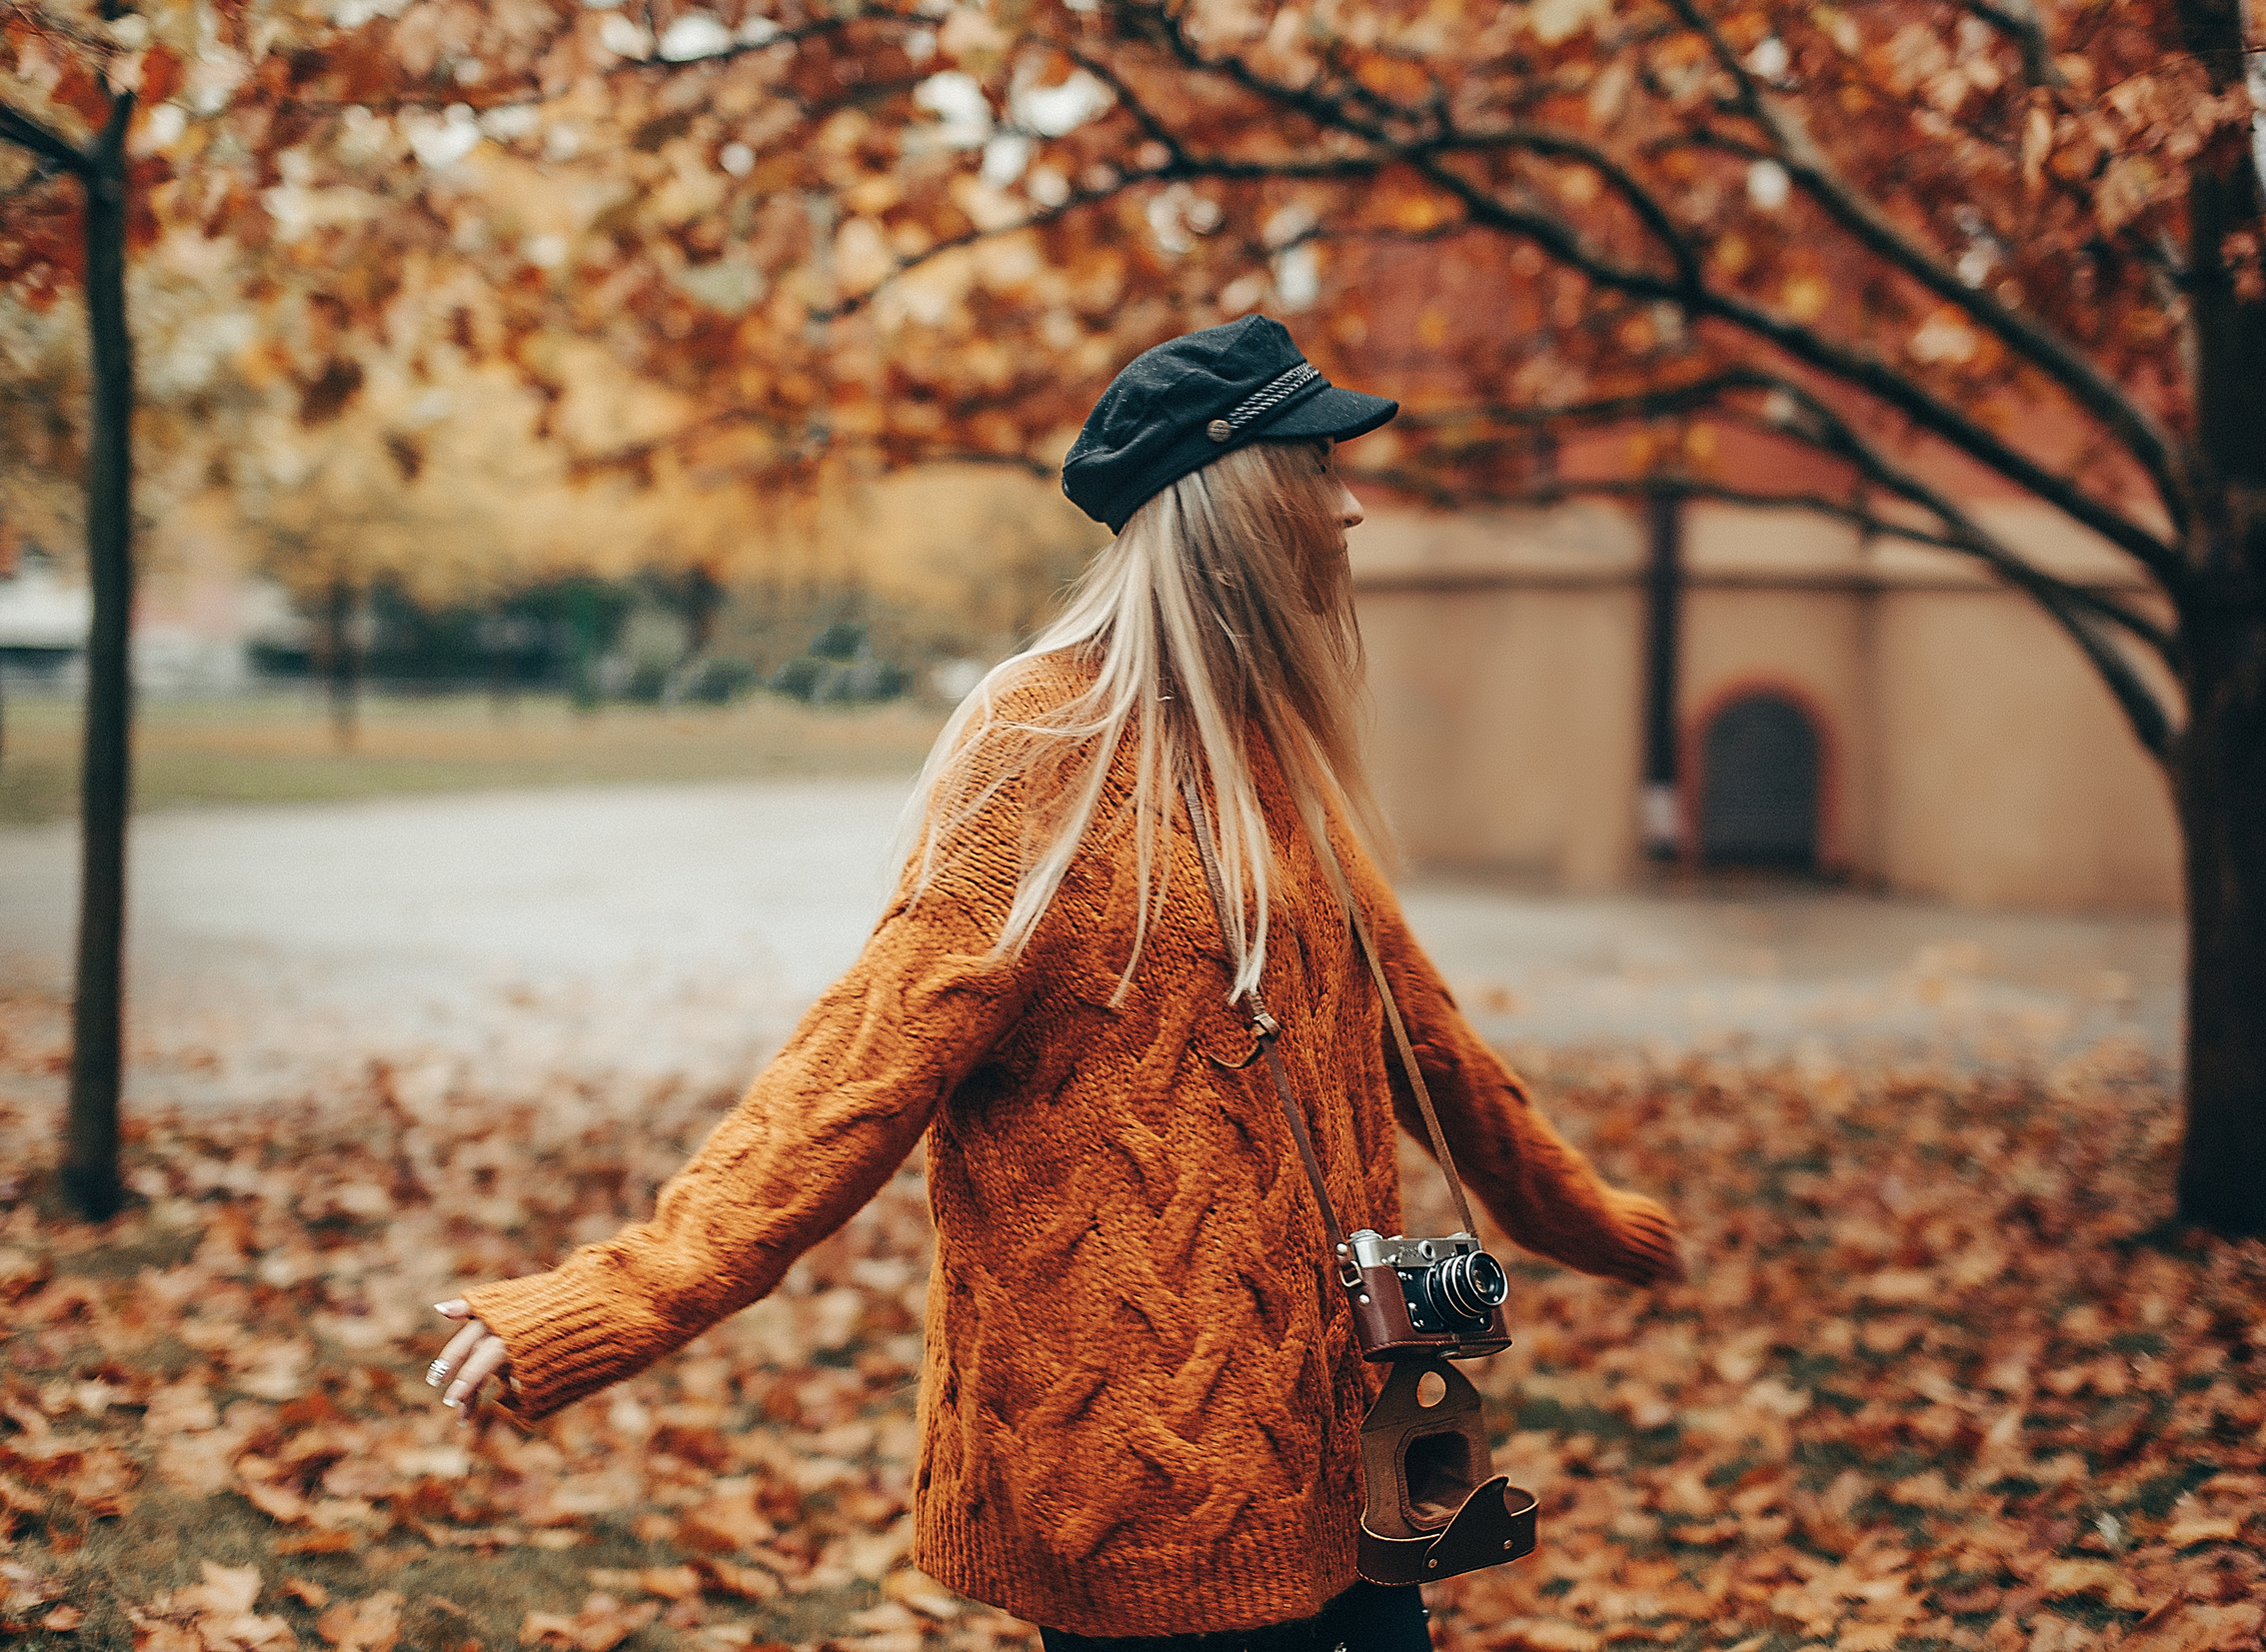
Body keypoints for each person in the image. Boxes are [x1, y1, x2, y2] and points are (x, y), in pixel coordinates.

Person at [425, 316, 1682, 1651]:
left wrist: (1591, 1220)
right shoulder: (1045, 751)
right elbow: (856, 1068)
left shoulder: (1270, 754)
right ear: (1243, 496)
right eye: (1323, 469)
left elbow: (1425, 1043)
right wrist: (617, 1297)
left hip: (1341, 1449)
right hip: (1144, 1478)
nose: (1353, 505)